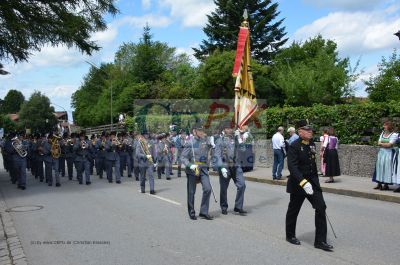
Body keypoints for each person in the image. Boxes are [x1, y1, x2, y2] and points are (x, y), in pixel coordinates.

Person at [285, 119, 333, 251]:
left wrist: (316, 184)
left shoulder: (311, 143)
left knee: (321, 207)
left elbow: (312, 165)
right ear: (300, 131)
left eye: (311, 129)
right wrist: (303, 182)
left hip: (312, 183)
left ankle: (320, 241)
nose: (310, 131)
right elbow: (292, 167)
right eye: (307, 130)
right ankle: (290, 235)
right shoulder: (294, 146)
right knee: (294, 210)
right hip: (298, 184)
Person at [181, 122, 214, 220]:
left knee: (207, 189)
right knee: (191, 192)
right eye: (199, 130)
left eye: (202, 130)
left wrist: (213, 144)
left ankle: (203, 212)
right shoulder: (189, 143)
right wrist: (190, 165)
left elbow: (210, 150)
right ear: (194, 131)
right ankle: (191, 212)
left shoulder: (205, 141)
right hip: (192, 170)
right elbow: (183, 157)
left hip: (203, 169)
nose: (201, 132)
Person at [215, 121, 247, 216]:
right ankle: (224, 206)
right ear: (224, 129)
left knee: (242, 185)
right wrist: (221, 167)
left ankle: (238, 207)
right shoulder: (219, 140)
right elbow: (217, 156)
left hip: (236, 166)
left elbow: (243, 150)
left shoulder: (236, 138)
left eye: (231, 128)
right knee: (224, 189)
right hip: (225, 167)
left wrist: (240, 139)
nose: (230, 130)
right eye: (228, 128)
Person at [373, 121, 397, 190]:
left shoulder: (394, 135)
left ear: (389, 126)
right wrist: (384, 144)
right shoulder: (382, 133)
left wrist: (382, 144)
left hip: (388, 153)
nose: (384, 127)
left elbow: (390, 145)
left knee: (387, 168)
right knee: (379, 168)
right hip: (381, 153)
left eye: (385, 125)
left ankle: (386, 185)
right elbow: (378, 143)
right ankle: (379, 184)